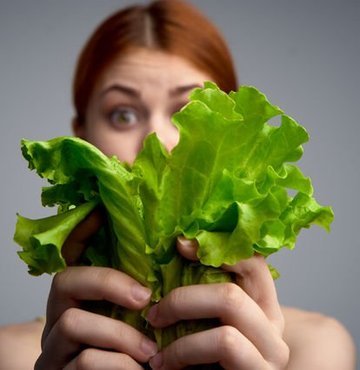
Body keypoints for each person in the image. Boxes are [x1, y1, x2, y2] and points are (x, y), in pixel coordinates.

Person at [0, 1, 356, 369]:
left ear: (236, 142)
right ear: (82, 137)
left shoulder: (314, 347)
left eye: (189, 112)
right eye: (123, 114)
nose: (157, 138)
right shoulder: (15, 356)